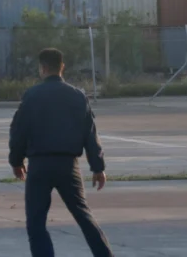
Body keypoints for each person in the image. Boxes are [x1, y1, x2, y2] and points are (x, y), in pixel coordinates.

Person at [8, 48, 114, 257]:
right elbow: (90, 134)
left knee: (36, 223)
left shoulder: (32, 96)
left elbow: (19, 131)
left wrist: (16, 161)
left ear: (43, 68)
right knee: (83, 216)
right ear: (61, 67)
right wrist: (98, 168)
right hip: (68, 166)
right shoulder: (77, 96)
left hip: (39, 166)